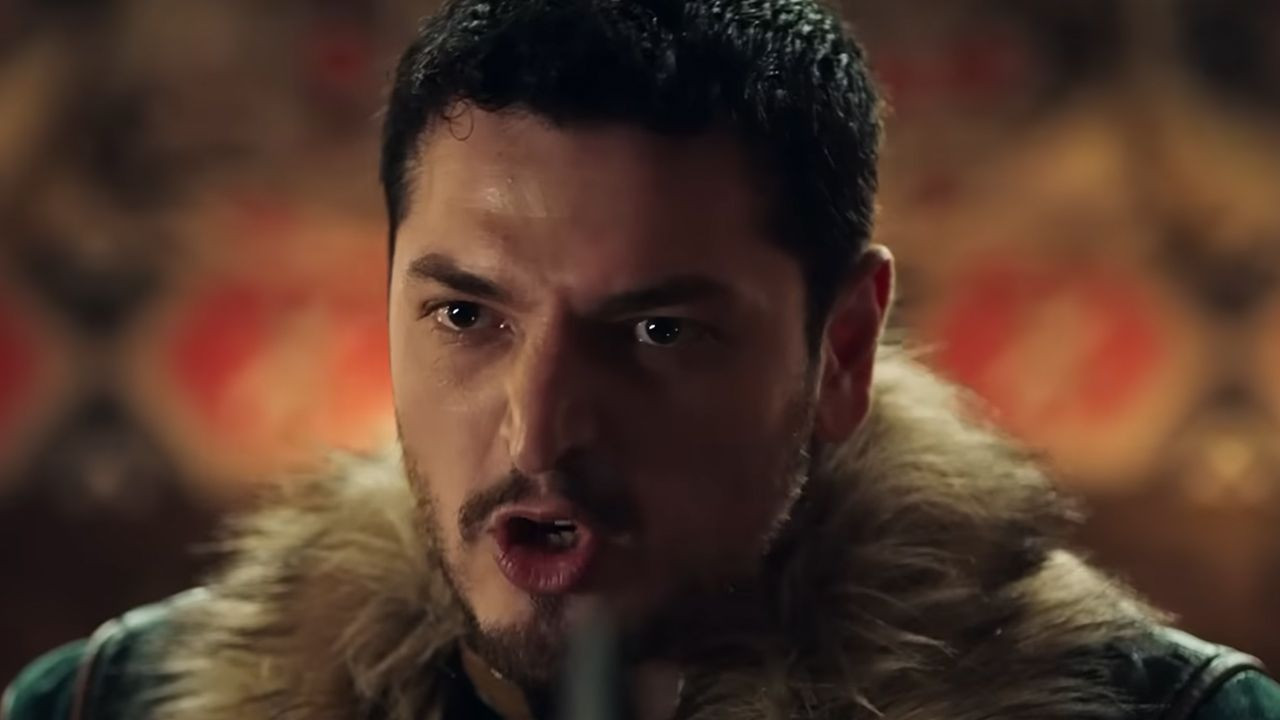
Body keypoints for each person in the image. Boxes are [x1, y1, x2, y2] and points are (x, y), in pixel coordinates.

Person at [6, 1, 1280, 718]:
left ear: (839, 349)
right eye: (464, 316)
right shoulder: (110, 708)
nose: (540, 429)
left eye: (658, 332)